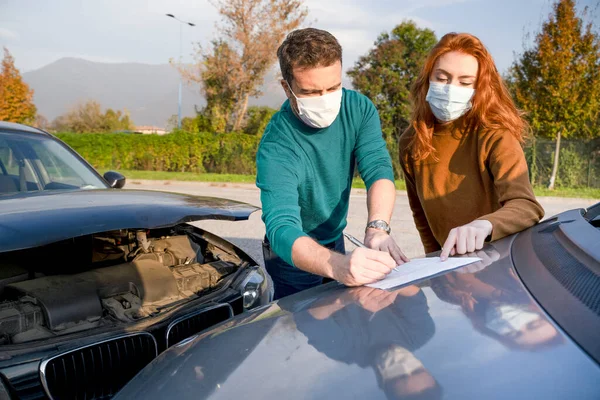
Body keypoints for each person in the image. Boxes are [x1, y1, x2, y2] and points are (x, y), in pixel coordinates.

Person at [257, 28, 408, 300]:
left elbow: (378, 169)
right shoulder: (277, 144)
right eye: (311, 92)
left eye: (333, 87)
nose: (325, 100)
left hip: (334, 239)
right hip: (292, 255)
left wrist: (378, 229)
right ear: (286, 88)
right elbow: (281, 228)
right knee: (299, 329)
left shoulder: (358, 109)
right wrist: (338, 266)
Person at [398, 32, 544, 260]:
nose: (450, 88)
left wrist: (483, 225)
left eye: (465, 82)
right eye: (442, 78)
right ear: (427, 79)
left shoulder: (494, 134)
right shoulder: (411, 140)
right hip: (449, 270)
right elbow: (421, 216)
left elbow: (526, 206)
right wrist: (434, 262)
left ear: (480, 88)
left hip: (498, 267)